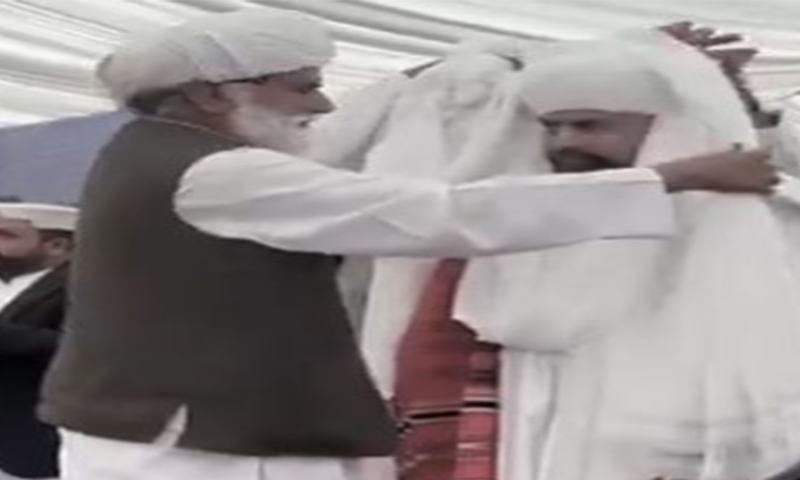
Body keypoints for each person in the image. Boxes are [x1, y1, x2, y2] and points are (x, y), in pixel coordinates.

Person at [38, 8, 778, 480]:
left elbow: (336, 139)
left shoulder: (161, 150)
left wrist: (638, 52)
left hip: (176, 432)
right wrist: (674, 177)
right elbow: (438, 212)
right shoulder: (221, 174)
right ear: (213, 94)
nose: (321, 101)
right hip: (192, 448)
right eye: (302, 86)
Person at [367, 31, 800, 480]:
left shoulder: (772, 214)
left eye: (588, 126)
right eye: (552, 128)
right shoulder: (533, 223)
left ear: (663, 126)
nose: (564, 144)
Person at [0, 203, 76, 480]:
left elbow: (81, 348)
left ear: (56, 246)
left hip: (31, 451)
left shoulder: (82, 289)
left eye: (4, 236)